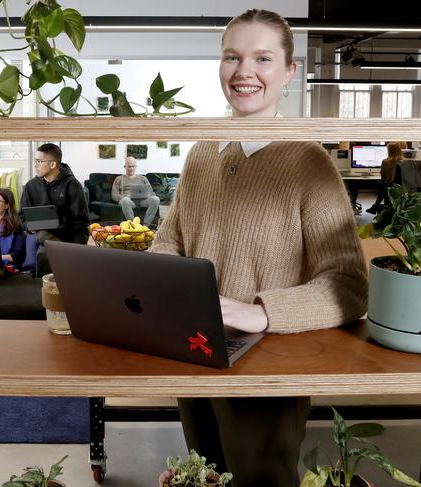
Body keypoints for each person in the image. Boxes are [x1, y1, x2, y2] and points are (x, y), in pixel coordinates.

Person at [152, 9, 368, 487]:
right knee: (205, 473)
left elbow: (350, 285)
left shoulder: (311, 164)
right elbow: (171, 240)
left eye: (262, 58)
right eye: (232, 56)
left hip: (268, 367)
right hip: (198, 348)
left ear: (289, 72)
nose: (243, 71)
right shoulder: (202, 150)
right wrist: (154, 287)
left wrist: (263, 312)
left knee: (260, 478)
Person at [19, 143, 89, 245]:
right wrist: (30, 227)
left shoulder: (72, 185)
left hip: (68, 240)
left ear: (52, 164)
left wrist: (76, 248)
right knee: (41, 240)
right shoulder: (31, 186)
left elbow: (81, 222)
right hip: (40, 237)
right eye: (35, 161)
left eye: (39, 161)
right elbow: (22, 216)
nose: (35, 165)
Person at [112, 156, 160, 225]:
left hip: (143, 201)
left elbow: (152, 193)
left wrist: (145, 195)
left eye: (133, 166)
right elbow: (114, 195)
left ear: (136, 167)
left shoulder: (143, 178)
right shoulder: (119, 179)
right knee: (125, 201)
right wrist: (125, 197)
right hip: (128, 201)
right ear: (125, 167)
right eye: (129, 166)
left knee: (156, 199)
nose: (131, 168)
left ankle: (146, 225)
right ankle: (134, 226)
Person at [366, 141, 406, 214]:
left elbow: (383, 177)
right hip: (403, 188)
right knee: (384, 187)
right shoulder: (405, 161)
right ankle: (376, 206)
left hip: (390, 188)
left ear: (389, 150)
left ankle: (376, 206)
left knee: (383, 186)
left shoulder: (386, 162)